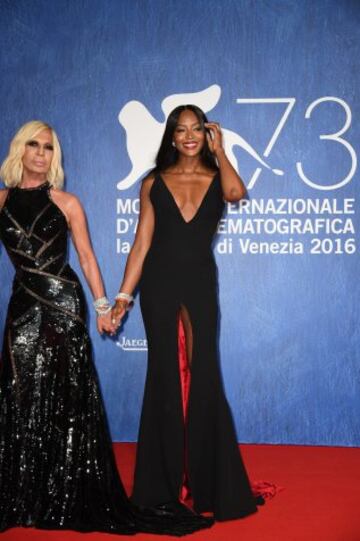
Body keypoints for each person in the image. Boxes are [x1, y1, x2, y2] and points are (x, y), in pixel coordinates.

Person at [0, 120, 211, 535]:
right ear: (19, 152)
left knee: (67, 400)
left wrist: (102, 307)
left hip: (64, 306)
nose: (41, 154)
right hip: (23, 306)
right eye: (34, 146)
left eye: (49, 148)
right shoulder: (2, 200)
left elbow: (88, 258)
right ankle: (22, 495)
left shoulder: (67, 202)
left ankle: (64, 493)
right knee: (18, 393)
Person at [112, 105, 265, 521]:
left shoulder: (218, 179)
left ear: (207, 133)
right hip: (159, 286)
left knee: (204, 376)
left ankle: (208, 483)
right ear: (171, 137)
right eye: (181, 130)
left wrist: (223, 149)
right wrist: (122, 299)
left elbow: (237, 194)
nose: (189, 136)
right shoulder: (152, 183)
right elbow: (141, 244)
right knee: (164, 375)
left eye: (197, 129)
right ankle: (161, 483)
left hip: (199, 285)